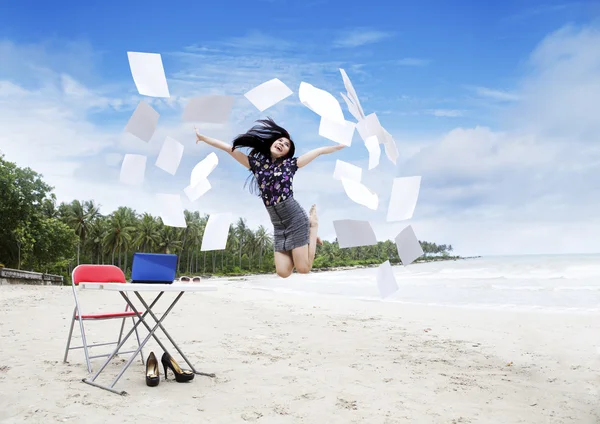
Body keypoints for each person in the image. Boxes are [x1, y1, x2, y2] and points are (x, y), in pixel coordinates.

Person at [194, 117, 345, 278]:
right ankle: (307, 239)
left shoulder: (291, 165)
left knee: (303, 269)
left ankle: (312, 226)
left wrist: (337, 147)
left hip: (295, 218)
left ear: (287, 153)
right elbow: (228, 148)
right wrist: (203, 138)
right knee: (283, 272)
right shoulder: (256, 165)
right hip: (278, 225)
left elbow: (319, 151)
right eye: (280, 141)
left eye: (286, 144)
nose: (282, 144)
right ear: (272, 143)